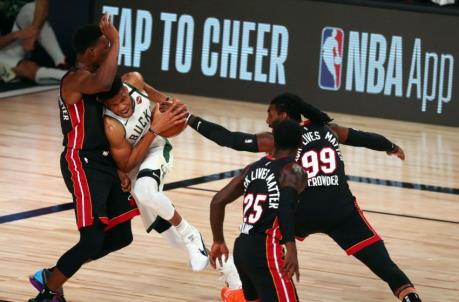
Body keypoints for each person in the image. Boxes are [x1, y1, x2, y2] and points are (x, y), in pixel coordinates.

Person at [186, 93, 421, 302]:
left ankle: (246, 289)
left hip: (301, 212)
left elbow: (230, 139)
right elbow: (364, 138)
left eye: (270, 114)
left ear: (283, 115)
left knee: (261, 234)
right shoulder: (329, 129)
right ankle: (408, 294)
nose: (267, 120)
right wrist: (390, 146)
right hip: (340, 210)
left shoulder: (277, 140)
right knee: (381, 261)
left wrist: (191, 120)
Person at [27, 16, 182, 302]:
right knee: (92, 238)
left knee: (122, 236)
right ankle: (47, 292)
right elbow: (105, 80)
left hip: (102, 161)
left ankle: (53, 275)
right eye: (104, 46)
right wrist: (118, 40)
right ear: (89, 53)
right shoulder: (75, 78)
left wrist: (117, 166)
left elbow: (114, 85)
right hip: (81, 161)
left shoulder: (97, 82)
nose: (108, 49)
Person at [97, 72, 209, 272]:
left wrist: (168, 103)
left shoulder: (133, 80)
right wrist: (154, 128)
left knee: (145, 191)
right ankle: (225, 266)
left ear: (125, 89)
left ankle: (191, 234)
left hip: (156, 149)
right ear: (106, 106)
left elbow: (148, 91)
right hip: (133, 162)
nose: (121, 107)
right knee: (169, 234)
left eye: (122, 99)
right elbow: (126, 165)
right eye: (113, 105)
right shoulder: (112, 126)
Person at [209, 119, 307, 302]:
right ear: (301, 142)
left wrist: (218, 240)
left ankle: (232, 296)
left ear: (274, 140)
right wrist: (291, 248)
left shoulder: (253, 168)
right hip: (266, 250)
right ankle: (232, 297)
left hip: (242, 248)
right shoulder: (294, 169)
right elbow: (285, 207)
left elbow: (217, 201)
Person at [0, 0, 67, 84]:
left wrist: (33, 33)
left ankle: (60, 61)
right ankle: (70, 77)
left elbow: (43, 4)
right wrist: (15, 35)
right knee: (28, 69)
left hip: (17, 42)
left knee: (30, 8)